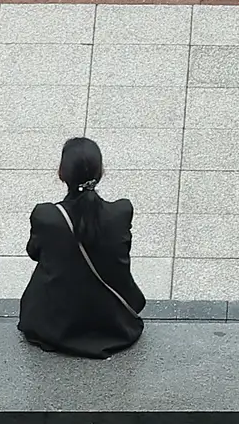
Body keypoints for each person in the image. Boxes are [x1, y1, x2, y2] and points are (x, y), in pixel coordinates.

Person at [17, 132, 146, 356]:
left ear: (61, 173)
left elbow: (34, 252)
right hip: (115, 324)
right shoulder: (121, 212)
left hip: (54, 326)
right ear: (101, 172)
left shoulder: (46, 215)